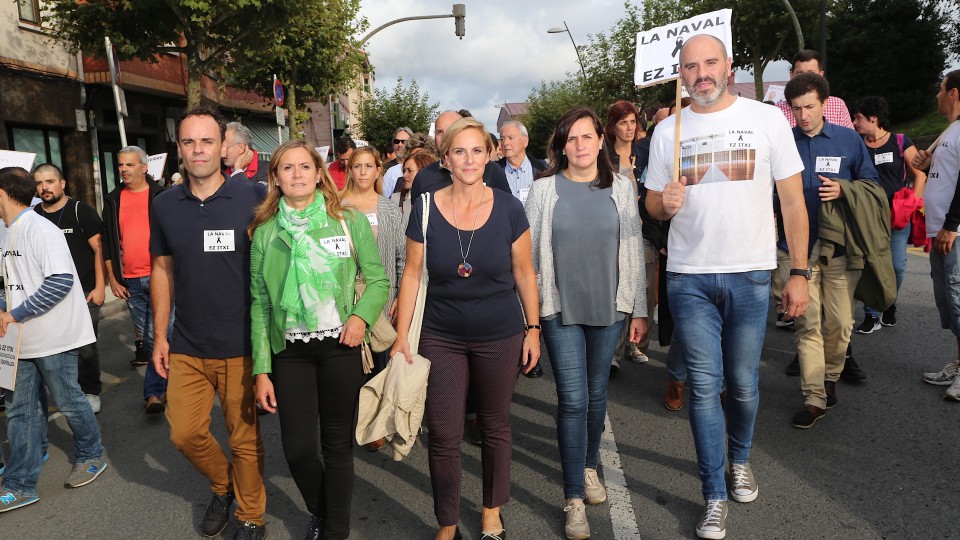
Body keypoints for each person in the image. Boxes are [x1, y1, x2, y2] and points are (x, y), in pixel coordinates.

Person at [645, 35, 810, 539]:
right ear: (681, 76)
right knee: (702, 387)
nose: (701, 74)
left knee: (741, 383)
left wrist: (800, 272)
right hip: (689, 278)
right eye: (690, 67)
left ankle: (739, 459)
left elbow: (794, 203)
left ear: (728, 65)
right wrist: (662, 204)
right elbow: (651, 203)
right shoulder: (667, 131)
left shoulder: (767, 119)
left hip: (751, 273)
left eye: (709, 62)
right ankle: (713, 493)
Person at [391, 116, 540, 540]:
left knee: (494, 426)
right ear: (446, 159)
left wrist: (533, 329)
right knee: (443, 433)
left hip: (501, 333)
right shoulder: (424, 207)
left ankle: (492, 509)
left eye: (478, 150)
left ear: (490, 154)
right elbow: (413, 275)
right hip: (441, 335)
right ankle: (448, 521)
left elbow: (525, 272)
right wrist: (402, 336)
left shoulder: (510, 208)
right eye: (460, 151)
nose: (469, 159)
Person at [250, 139, 388, 540]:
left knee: (337, 448)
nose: (297, 175)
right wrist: (261, 370)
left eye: (304, 167)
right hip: (289, 353)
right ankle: (322, 509)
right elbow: (259, 304)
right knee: (297, 451)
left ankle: (335, 530)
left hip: (339, 347)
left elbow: (378, 279)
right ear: (275, 177)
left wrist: (361, 317)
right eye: (287, 168)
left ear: (319, 172)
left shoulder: (348, 220)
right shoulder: (264, 231)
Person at [526, 106, 648, 540]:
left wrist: (639, 309)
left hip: (610, 309)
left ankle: (590, 464)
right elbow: (527, 257)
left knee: (597, 397)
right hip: (559, 310)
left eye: (586, 136)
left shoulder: (620, 186)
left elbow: (633, 251)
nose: (579, 145)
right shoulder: (543, 190)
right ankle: (573, 495)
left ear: (601, 141)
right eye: (570, 138)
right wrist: (530, 316)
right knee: (573, 399)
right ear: (562, 146)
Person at [150, 106, 267, 540]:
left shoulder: (253, 197)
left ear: (224, 148)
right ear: (179, 148)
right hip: (187, 345)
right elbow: (162, 270)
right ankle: (224, 485)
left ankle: (252, 516)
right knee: (183, 433)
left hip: (241, 343)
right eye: (188, 142)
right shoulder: (163, 205)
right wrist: (159, 335)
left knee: (245, 441)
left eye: (207, 141)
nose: (198, 150)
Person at [0, 166, 106, 513]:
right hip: (20, 339)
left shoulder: (39, 229)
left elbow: (60, 281)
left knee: (69, 400)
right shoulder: (8, 230)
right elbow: (14, 283)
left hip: (53, 336)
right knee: (20, 410)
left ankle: (91, 455)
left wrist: (14, 313)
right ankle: (20, 483)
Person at [779, 73, 879, 429]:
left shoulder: (849, 141)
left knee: (839, 324)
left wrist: (844, 190)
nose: (803, 115)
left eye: (809, 106)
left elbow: (873, 186)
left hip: (840, 246)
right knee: (806, 325)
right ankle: (814, 397)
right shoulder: (783, 143)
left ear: (824, 103)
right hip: (794, 250)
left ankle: (831, 376)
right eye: (796, 109)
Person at [100, 145, 171, 414]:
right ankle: (174, 380)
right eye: (120, 165)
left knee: (156, 336)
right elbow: (107, 241)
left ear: (144, 167)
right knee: (154, 337)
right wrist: (113, 279)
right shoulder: (112, 199)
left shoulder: (161, 196)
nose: (123, 170)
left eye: (129, 165)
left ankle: (154, 392)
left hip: (160, 275)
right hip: (130, 280)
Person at [33, 163, 106, 413]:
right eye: (40, 183)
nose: (45, 187)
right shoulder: (34, 214)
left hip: (84, 292)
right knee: (57, 346)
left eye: (50, 181)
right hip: (50, 295)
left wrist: (99, 287)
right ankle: (69, 391)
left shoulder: (80, 211)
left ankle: (90, 391)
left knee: (85, 347)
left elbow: (100, 250)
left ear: (62, 183)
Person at [851, 96, 927, 334]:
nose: (854, 122)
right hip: (867, 216)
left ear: (873, 119)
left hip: (897, 215)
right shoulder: (857, 145)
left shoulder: (900, 141)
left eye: (858, 118)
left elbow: (920, 175)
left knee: (897, 265)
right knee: (869, 265)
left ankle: (890, 303)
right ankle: (871, 314)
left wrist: (912, 203)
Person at [340, 146, 405, 374]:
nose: (363, 172)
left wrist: (400, 296)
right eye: (357, 166)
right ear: (349, 171)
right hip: (343, 302)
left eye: (369, 166)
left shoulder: (389, 209)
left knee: (380, 371)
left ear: (379, 171)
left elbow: (402, 257)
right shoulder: (335, 207)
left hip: (383, 303)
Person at [916, 69, 960, 401]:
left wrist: (951, 225)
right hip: (941, 230)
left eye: (941, 89)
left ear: (954, 93)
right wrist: (926, 162)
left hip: (953, 233)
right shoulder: (951, 130)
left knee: (958, 302)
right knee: (947, 302)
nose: (937, 95)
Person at [604, 100, 655, 370]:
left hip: (644, 232)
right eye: (623, 122)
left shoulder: (645, 152)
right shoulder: (604, 156)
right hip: (613, 232)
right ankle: (614, 353)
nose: (629, 128)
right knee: (618, 290)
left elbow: (654, 187)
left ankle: (637, 344)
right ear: (613, 126)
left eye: (633, 122)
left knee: (643, 289)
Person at [410, 110, 512, 199]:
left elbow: (507, 208)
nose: (446, 136)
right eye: (440, 132)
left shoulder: (492, 170)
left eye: (452, 129)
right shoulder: (423, 177)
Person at [775, 49, 854, 129]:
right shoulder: (778, 111)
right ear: (791, 75)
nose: (805, 78)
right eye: (800, 73)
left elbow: (849, 139)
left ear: (821, 75)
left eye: (811, 73)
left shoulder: (838, 106)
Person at [497, 120, 547, 206]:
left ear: (525, 142)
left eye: (510, 138)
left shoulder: (543, 170)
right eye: (502, 139)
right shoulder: (494, 170)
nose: (505, 143)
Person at [392, 147, 439, 223]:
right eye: (404, 171)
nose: (404, 175)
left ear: (423, 172)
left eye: (409, 171)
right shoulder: (396, 200)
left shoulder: (438, 201)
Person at [382, 127, 414, 196]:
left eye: (404, 141)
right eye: (396, 141)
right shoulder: (384, 168)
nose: (399, 145)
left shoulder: (420, 167)